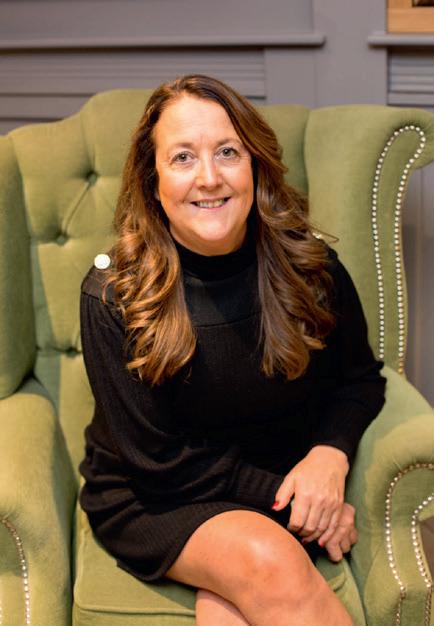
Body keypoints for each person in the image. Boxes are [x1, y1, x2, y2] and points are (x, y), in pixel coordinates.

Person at [79, 74, 386, 625]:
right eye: (182, 158)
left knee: (229, 608)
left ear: (255, 166)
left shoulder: (310, 267)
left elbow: (359, 379)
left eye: (227, 152)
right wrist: (300, 505)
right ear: (152, 180)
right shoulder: (113, 296)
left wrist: (329, 456)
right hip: (158, 495)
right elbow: (158, 462)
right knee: (267, 560)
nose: (209, 177)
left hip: (278, 476)